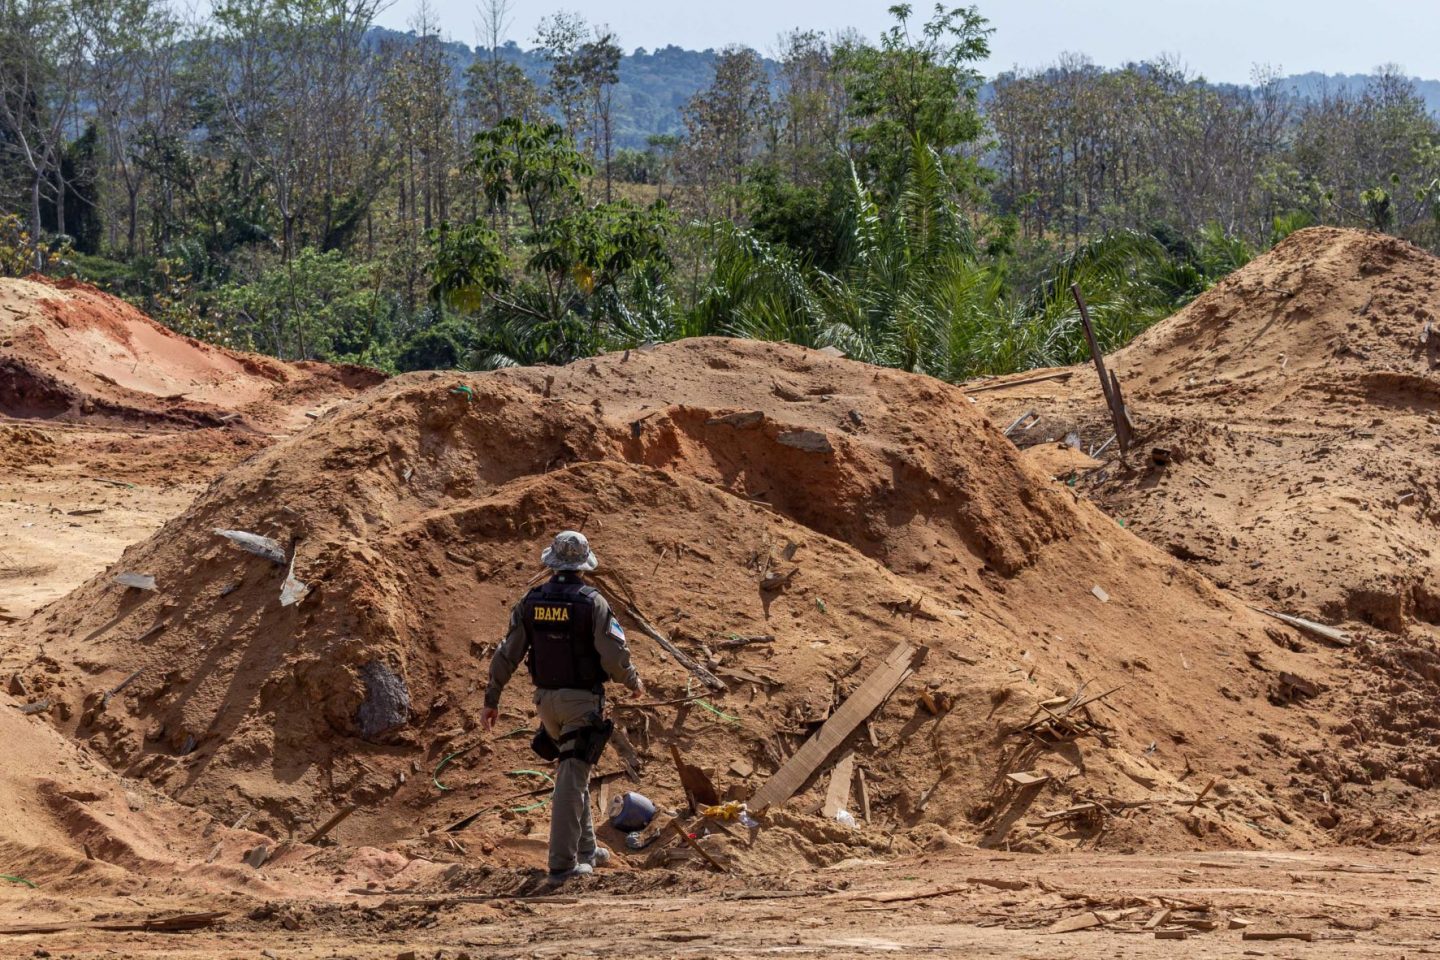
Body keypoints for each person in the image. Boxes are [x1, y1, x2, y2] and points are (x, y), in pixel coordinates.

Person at [482, 530, 645, 885]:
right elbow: (615, 656)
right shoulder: (593, 602)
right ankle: (562, 864)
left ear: (552, 563)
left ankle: (587, 850)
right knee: (571, 780)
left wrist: (491, 699)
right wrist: (632, 681)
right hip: (581, 703)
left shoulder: (532, 601)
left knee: (576, 773)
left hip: (546, 704)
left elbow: (506, 654)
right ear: (584, 566)